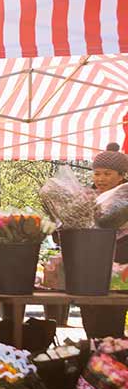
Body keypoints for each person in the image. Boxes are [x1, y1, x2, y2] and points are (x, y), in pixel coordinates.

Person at [81, 142, 128, 338]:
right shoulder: (85, 197)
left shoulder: (125, 197)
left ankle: (112, 361)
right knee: (90, 323)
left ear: (121, 175)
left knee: (111, 325)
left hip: (119, 269)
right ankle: (93, 360)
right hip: (88, 271)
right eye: (97, 173)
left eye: (107, 174)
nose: (101, 179)